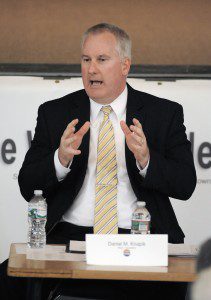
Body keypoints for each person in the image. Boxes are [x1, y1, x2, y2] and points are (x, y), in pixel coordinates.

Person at [0, 23, 196, 300]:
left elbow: (186, 185)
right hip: (69, 236)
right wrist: (60, 159)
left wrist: (147, 159)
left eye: (102, 60)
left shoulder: (163, 114)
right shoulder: (54, 113)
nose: (91, 69)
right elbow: (26, 185)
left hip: (139, 237)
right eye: (86, 59)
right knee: (8, 279)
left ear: (125, 66)